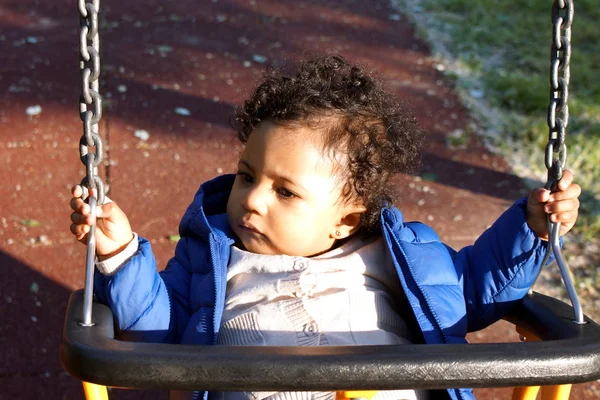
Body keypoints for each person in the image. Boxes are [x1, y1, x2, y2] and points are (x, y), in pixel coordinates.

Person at [69, 55, 581, 400]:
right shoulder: (209, 262)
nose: (250, 199)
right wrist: (118, 255)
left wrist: (531, 226)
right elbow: (156, 330)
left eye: (285, 191)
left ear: (347, 220)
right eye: (247, 176)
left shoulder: (402, 258)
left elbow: (474, 289)